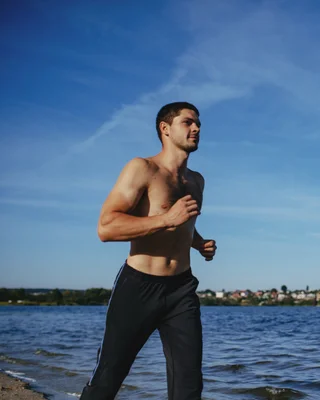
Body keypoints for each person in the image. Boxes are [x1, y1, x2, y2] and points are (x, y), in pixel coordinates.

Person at [80, 102, 216, 400]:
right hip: (138, 285)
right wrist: (166, 219)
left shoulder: (197, 181)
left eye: (199, 124)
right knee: (109, 376)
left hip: (182, 288)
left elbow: (183, 226)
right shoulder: (142, 168)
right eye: (188, 122)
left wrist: (199, 243)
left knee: (189, 384)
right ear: (165, 129)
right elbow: (106, 227)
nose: (197, 128)